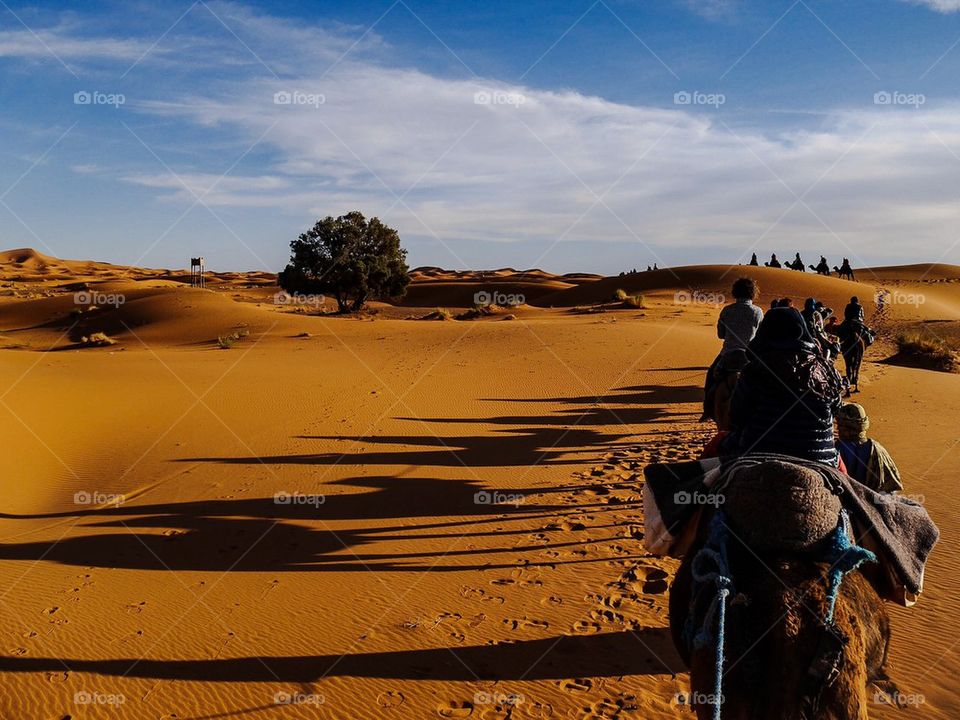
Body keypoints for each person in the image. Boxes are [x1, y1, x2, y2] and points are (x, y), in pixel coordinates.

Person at [721, 307, 845, 465]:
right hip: (822, 459)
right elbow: (837, 409)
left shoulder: (755, 369)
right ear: (802, 330)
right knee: (844, 477)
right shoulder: (826, 370)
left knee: (716, 449)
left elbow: (737, 416)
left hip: (757, 455)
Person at [701, 278, 764, 422]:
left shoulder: (727, 310)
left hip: (728, 355)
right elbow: (760, 336)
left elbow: (720, 335)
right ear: (752, 293)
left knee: (711, 376)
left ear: (735, 292)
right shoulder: (758, 312)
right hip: (749, 356)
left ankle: (707, 410)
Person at [836, 403, 903, 492]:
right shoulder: (878, 448)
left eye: (840, 426)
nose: (837, 428)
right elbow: (890, 484)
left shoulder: (839, 448)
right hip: (875, 497)